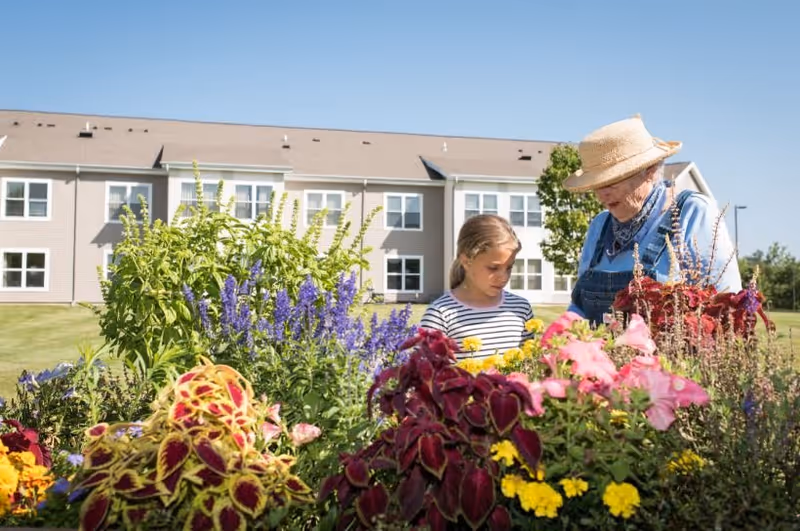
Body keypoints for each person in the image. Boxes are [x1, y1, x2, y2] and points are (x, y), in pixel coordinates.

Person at [563, 114, 742, 325]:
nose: (602, 194)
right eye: (596, 184)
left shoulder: (692, 214)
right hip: (598, 356)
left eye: (612, 181)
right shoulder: (599, 226)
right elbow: (579, 307)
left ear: (649, 170)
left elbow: (725, 306)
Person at [420, 214, 536, 360]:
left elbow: (529, 366)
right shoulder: (440, 315)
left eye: (509, 268)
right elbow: (425, 374)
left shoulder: (521, 309)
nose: (503, 277)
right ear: (466, 261)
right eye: (493, 268)